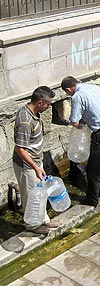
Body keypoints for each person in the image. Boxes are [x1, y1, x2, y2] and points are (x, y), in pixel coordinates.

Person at [61, 76, 100, 207]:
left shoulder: (77, 96)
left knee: (93, 169)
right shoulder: (94, 87)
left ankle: (92, 199)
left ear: (68, 89)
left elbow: (74, 120)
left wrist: (79, 127)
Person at [13, 86, 57, 235]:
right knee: (30, 195)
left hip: (36, 161)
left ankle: (44, 219)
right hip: (27, 166)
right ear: (39, 102)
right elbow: (20, 148)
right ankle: (32, 225)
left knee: (41, 192)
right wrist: (35, 167)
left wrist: (40, 157)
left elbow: (34, 140)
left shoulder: (35, 113)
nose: (49, 107)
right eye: (48, 104)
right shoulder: (25, 121)